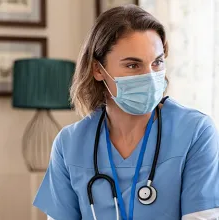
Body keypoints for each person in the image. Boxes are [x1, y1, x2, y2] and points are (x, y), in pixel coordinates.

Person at [33, 4, 219, 220]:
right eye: (133, 65)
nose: (150, 76)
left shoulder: (195, 132)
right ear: (97, 70)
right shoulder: (69, 144)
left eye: (157, 62)